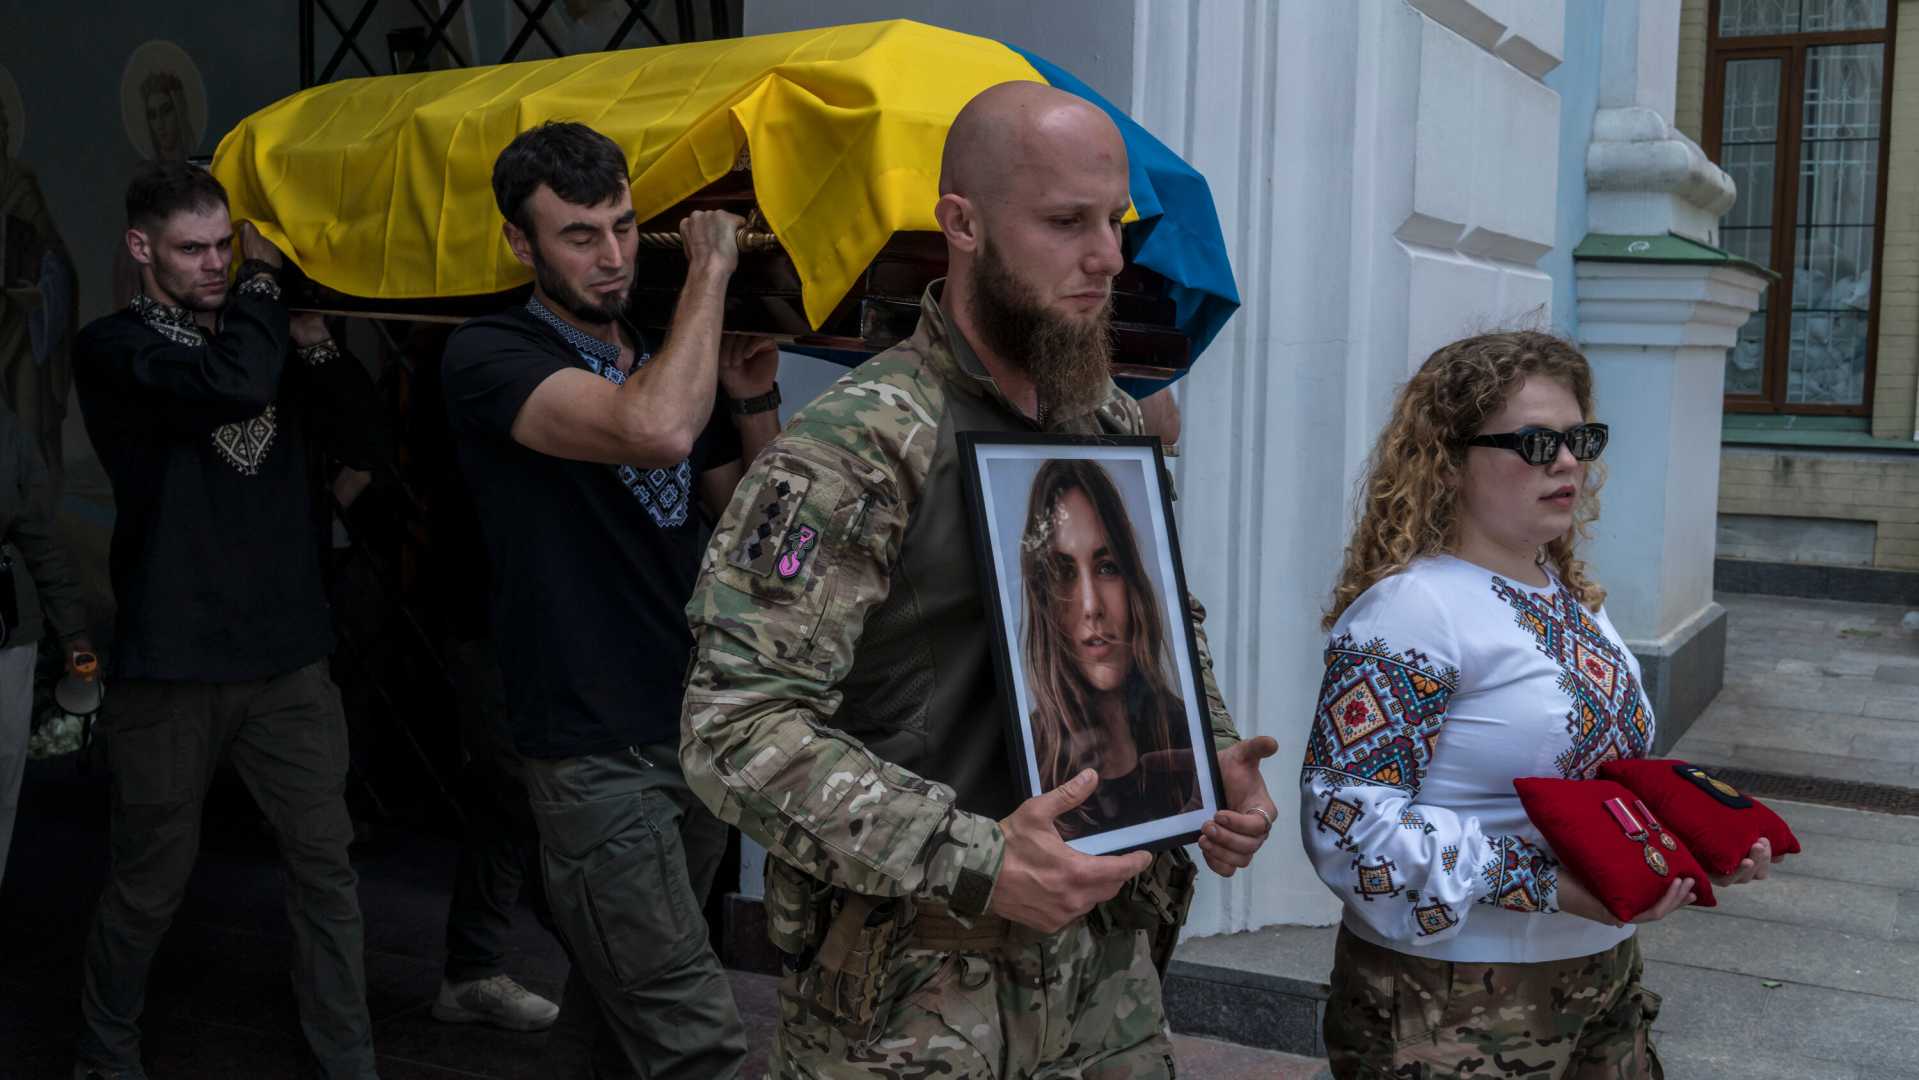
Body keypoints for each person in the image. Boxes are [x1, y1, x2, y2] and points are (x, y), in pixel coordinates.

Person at [681, 80, 1280, 1077]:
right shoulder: (858, 446)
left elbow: (1168, 624)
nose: (1106, 258)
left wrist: (1202, 756)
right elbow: (733, 730)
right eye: (1063, 223)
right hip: (914, 995)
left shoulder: (1106, 423)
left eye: (1112, 221)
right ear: (960, 224)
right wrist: (980, 858)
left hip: (1103, 982)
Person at [1298, 331, 1778, 1078]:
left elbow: (1603, 782)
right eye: (1532, 442)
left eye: (1577, 438)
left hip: (1602, 973)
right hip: (1453, 997)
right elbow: (1347, 823)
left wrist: (1695, 843)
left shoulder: (1571, 597)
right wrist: (1547, 886)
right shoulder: (1410, 614)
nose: (1566, 462)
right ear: (1448, 459)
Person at [439, 121, 780, 1079]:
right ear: (521, 244)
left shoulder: (668, 354)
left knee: (612, 1016)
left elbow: (755, 536)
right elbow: (656, 432)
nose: (613, 255)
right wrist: (710, 272)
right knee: (693, 1032)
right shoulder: (488, 354)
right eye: (580, 235)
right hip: (591, 752)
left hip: (689, 730)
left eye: (626, 228)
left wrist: (751, 400)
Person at [70, 161, 388, 1080]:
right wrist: (262, 274)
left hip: (287, 660)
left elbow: (365, 441)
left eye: (226, 246)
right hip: (172, 666)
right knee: (149, 882)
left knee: (326, 867)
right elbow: (234, 385)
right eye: (194, 249)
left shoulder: (266, 339)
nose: (215, 265)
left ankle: (348, 1061)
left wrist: (318, 340)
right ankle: (104, 1051)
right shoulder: (116, 347)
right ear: (142, 250)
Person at [1019, 458, 1198, 841]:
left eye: (1106, 568)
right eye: (1064, 573)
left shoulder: (1185, 732)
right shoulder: (1026, 755)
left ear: (1132, 579)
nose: (1090, 606)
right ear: (1042, 597)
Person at [0, 396, 89, 887]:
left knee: (1, 783)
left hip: (7, 638)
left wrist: (74, 634)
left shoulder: (5, 428)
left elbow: (38, 535)